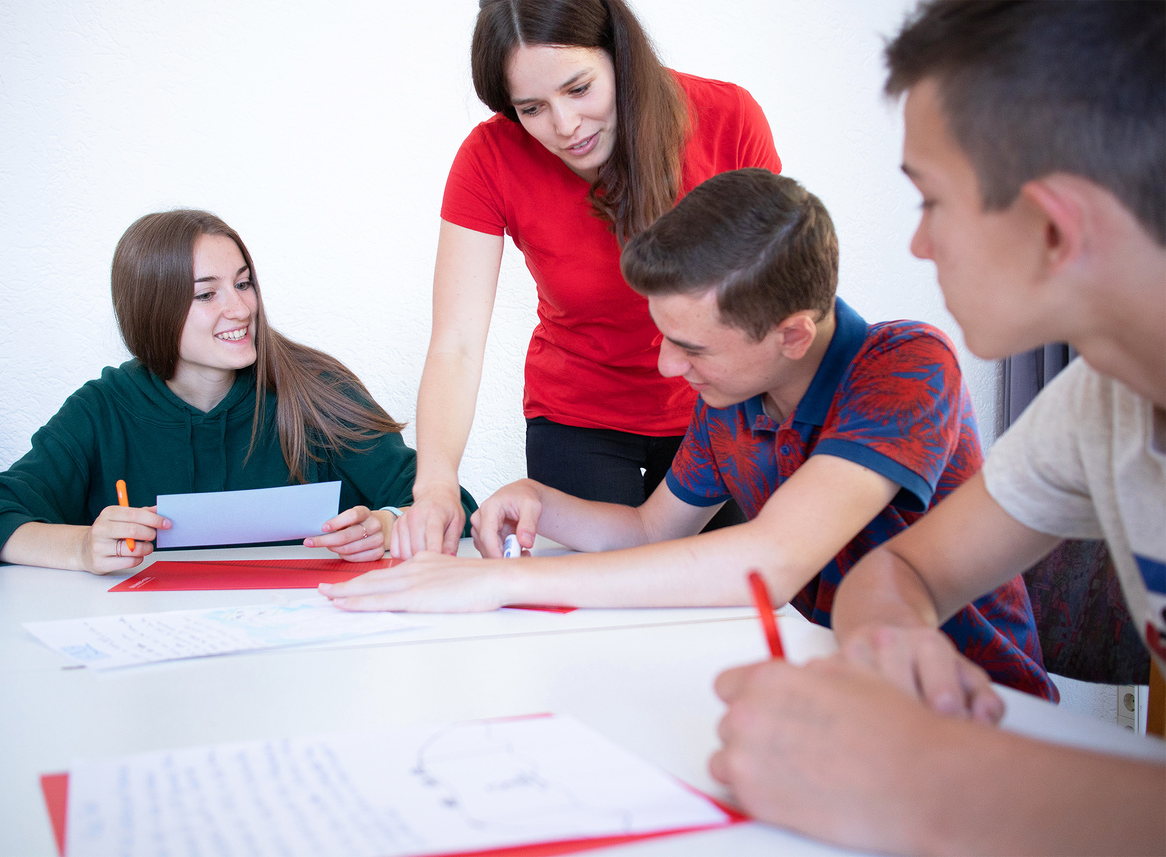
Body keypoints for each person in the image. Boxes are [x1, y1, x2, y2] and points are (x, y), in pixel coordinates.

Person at [321, 168, 1055, 700]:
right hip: (848, 685)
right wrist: (537, 494)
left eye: (693, 348)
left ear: (792, 334)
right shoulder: (736, 393)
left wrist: (503, 580)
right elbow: (651, 531)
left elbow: (771, 560)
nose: (670, 366)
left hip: (980, 704)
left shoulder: (905, 366)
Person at [710, 2, 1165, 854]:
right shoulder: (1097, 403)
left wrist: (931, 775)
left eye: (929, 202)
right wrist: (892, 634)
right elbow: (906, 568)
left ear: (1052, 227)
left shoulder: (908, 360)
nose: (917, 246)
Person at [391, 0, 781, 558]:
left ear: (619, 55)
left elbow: (772, 301)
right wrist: (435, 487)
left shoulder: (728, 118)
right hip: (578, 419)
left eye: (579, 89)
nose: (565, 126)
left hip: (717, 408)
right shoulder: (490, 156)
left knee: (715, 603)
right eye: (532, 108)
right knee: (595, 607)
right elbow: (456, 343)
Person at [0, 210, 476, 573]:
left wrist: (388, 527)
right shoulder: (102, 410)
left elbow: (456, 506)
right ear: (152, 310)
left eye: (244, 283)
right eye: (207, 294)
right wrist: (80, 549)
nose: (240, 308)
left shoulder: (313, 391)